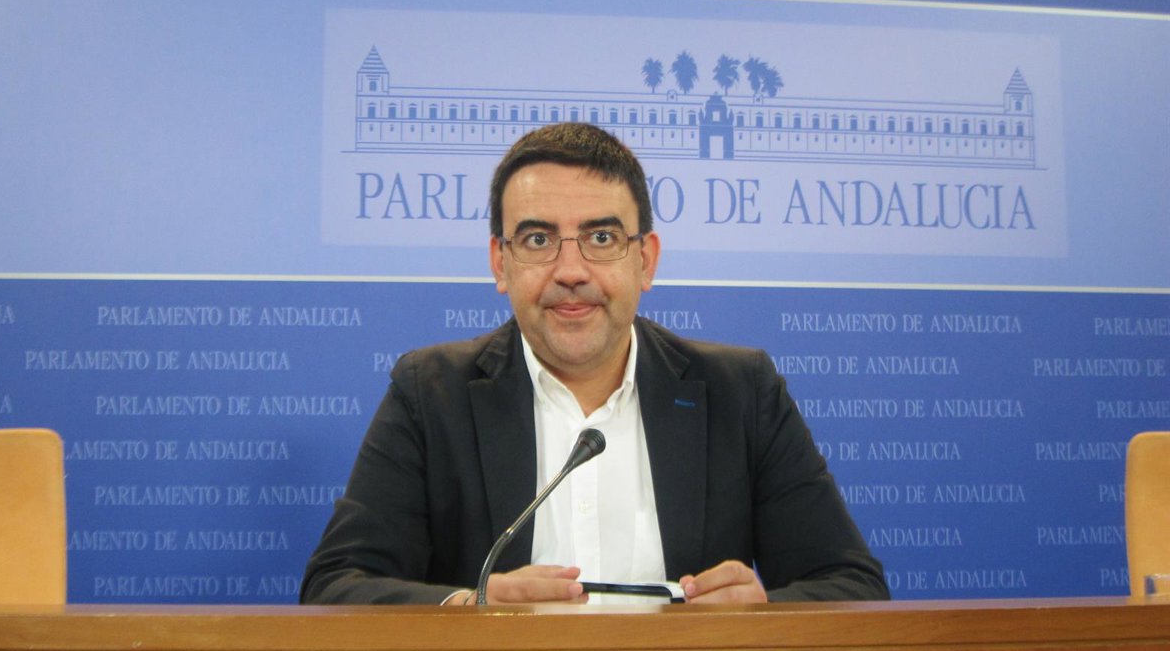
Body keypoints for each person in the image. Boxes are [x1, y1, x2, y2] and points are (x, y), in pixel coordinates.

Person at [301, 123, 888, 606]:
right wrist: (469, 606)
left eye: (601, 238)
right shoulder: (432, 394)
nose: (571, 271)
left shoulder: (740, 392)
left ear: (645, 260)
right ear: (500, 264)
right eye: (538, 240)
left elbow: (852, 587)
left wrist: (760, 615)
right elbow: (336, 587)